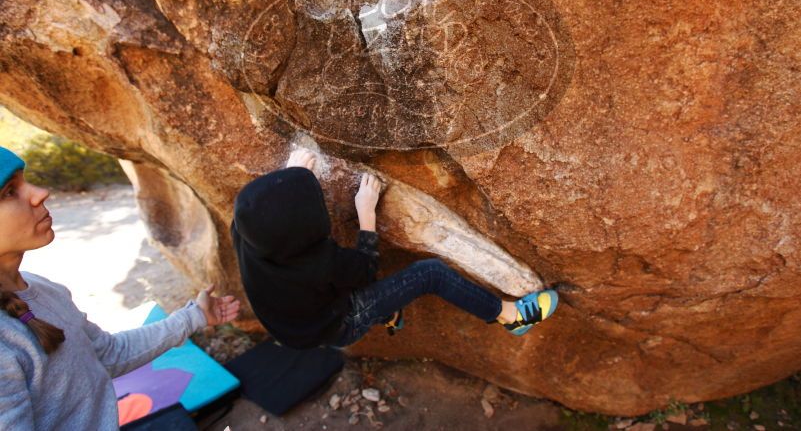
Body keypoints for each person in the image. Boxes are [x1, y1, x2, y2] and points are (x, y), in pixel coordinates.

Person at [0, 146, 241, 430]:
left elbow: (107, 354)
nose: (40, 193)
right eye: (9, 192)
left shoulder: (42, 289)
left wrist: (194, 316)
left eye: (24, 180)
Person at [232, 147, 558, 350]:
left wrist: (290, 178)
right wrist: (366, 211)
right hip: (339, 321)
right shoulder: (318, 262)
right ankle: (510, 316)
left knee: (339, 282)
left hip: (296, 323)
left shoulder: (246, 230)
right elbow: (365, 268)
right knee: (430, 273)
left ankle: (388, 312)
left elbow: (265, 210)